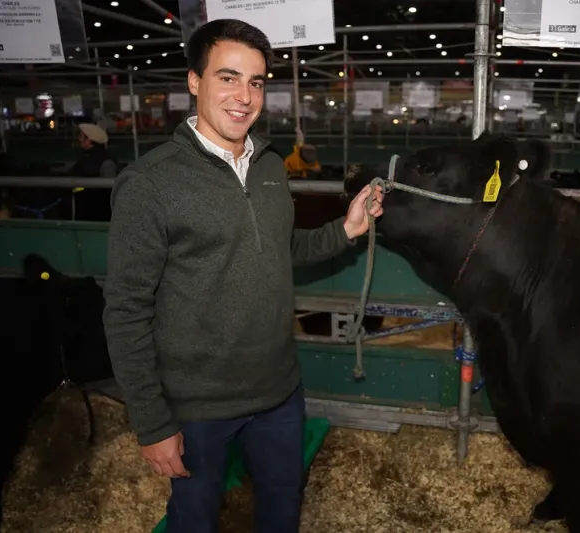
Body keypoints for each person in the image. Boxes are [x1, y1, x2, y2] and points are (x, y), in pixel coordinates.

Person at [101, 18, 383, 533]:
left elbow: (284, 247)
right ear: (194, 81)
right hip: (197, 406)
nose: (244, 96)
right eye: (227, 77)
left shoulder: (272, 165)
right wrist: (152, 422)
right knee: (196, 519)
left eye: (256, 81)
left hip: (278, 392)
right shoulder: (149, 184)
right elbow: (125, 312)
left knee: (281, 508)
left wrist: (347, 227)